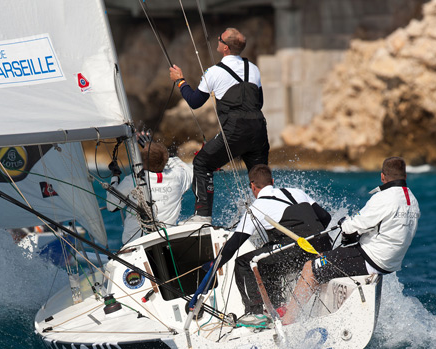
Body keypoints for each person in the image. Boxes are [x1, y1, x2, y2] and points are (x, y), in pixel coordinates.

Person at [282, 157, 420, 325]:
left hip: (370, 260)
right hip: (389, 264)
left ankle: (287, 321)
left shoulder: (383, 198)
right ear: (405, 176)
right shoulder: (412, 200)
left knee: (311, 267)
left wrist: (344, 222)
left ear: (382, 177)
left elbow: (350, 228)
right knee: (327, 257)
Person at [191, 165, 331, 323]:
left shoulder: (258, 206)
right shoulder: (296, 192)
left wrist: (215, 264)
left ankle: (254, 313)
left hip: (299, 250)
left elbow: (233, 244)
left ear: (252, 186)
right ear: (272, 181)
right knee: (266, 256)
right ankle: (278, 306)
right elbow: (325, 217)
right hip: (324, 246)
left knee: (244, 262)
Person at [169, 27, 270, 224]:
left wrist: (180, 81)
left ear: (224, 48)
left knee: (201, 163)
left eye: (219, 39)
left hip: (235, 131)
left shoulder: (214, 72)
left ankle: (203, 216)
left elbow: (195, 101)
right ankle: (267, 215)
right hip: (259, 130)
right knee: (259, 176)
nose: (217, 40)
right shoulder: (253, 69)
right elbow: (259, 102)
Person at [106, 134, 193, 246]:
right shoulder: (178, 175)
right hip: (166, 242)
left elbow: (111, 206)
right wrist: (153, 148)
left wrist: (115, 176)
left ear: (142, 161)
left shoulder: (133, 181)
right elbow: (177, 162)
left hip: (136, 245)